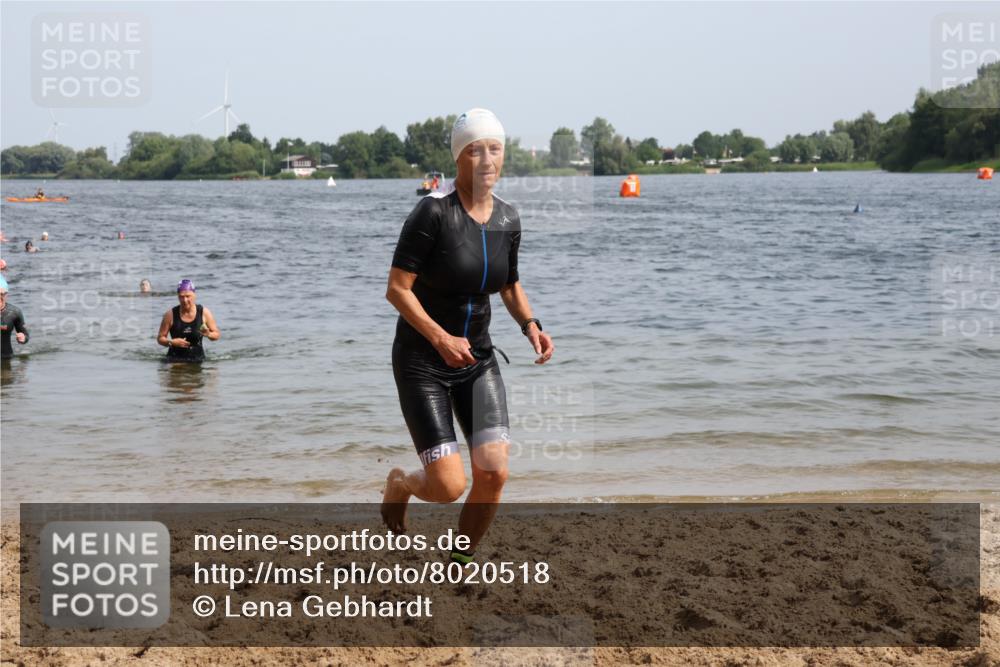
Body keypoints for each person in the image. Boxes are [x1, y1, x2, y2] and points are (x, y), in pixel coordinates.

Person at [382, 108, 555, 562]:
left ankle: (459, 558)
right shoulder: (433, 213)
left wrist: (530, 325)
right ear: (459, 158)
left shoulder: (508, 219)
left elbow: (509, 284)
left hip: (478, 361)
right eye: (475, 150)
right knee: (447, 486)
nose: (487, 159)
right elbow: (397, 290)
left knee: (494, 472)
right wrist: (440, 338)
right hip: (423, 363)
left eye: (495, 149)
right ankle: (400, 483)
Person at [156, 279, 220, 361]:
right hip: (174, 360)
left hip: (197, 359)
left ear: (194, 295)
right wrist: (171, 342)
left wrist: (208, 334)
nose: (185, 300)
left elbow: (216, 335)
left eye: (188, 296)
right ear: (178, 296)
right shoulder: (170, 315)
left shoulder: (204, 312)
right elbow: (160, 338)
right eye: (181, 297)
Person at [0, 276, 29, 359]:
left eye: (1, 294)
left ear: (6, 295)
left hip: (6, 358)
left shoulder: (14, 312)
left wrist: (23, 338)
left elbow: (25, 334)